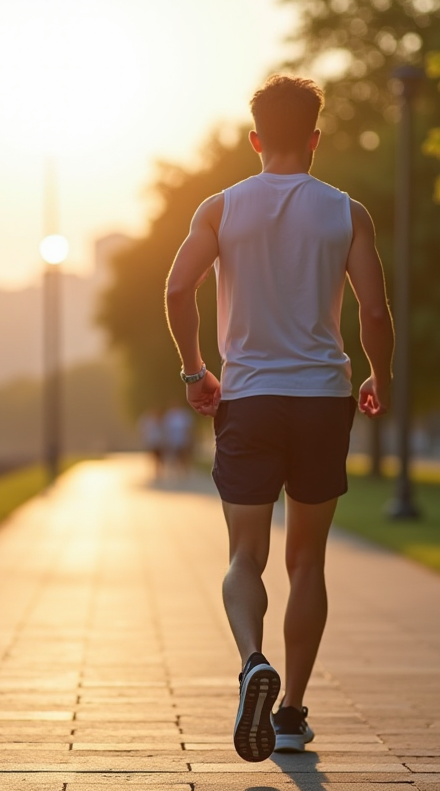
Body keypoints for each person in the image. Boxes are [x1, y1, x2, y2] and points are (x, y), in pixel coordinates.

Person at [163, 75, 394, 762]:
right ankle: (290, 710)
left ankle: (250, 661)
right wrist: (381, 377)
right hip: (322, 399)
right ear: (316, 140)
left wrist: (193, 368)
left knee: (246, 555)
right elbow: (374, 312)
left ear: (256, 138)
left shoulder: (221, 208)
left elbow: (178, 287)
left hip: (251, 398)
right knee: (307, 559)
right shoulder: (347, 212)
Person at [162, 403, 196, 476]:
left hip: (184, 439)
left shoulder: (184, 414)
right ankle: (178, 471)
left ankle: (186, 470)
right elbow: (166, 429)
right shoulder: (169, 415)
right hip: (173, 440)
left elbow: (189, 427)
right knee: (176, 456)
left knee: (184, 455)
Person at [138, 407, 166, 479]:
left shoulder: (162, 421)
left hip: (160, 442)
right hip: (152, 442)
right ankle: (155, 471)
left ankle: (159, 471)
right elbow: (144, 430)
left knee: (159, 458)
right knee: (154, 457)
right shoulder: (149, 421)